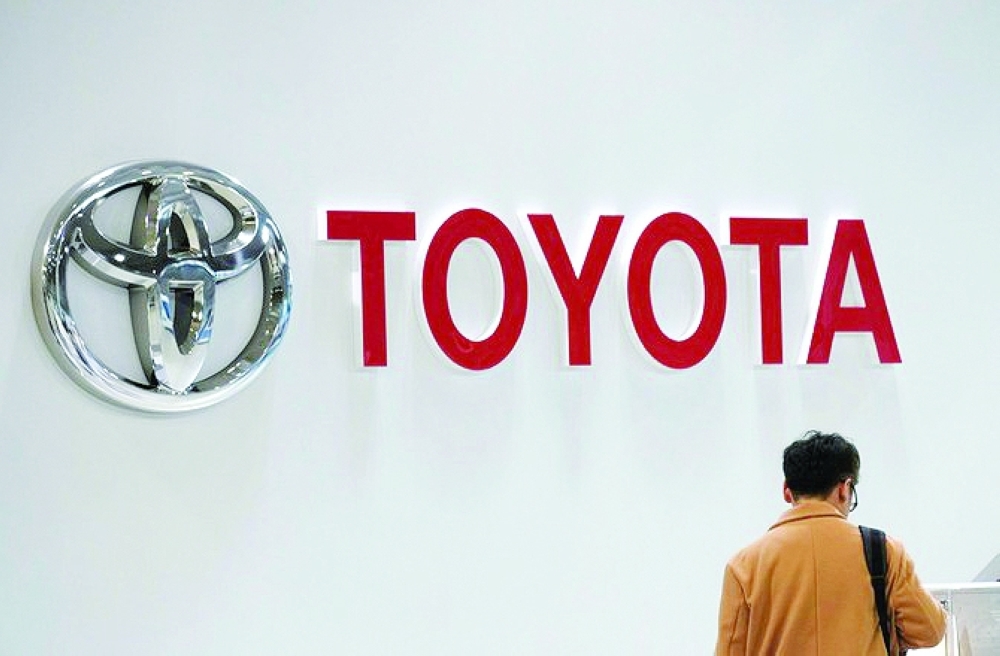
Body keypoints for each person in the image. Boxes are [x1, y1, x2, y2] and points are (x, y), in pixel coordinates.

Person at [715, 430, 946, 655]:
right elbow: (930, 631)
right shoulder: (882, 551)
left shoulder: (743, 565)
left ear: (787, 491)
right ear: (844, 489)